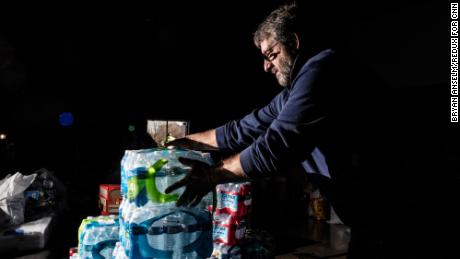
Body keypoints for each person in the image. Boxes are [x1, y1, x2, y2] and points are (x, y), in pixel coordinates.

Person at [164, 3, 407, 259]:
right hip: (365, 221)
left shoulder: (321, 71)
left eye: (271, 54)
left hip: (394, 219)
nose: (266, 67)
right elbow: (242, 130)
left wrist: (212, 175)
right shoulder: (293, 91)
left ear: (294, 41)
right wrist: (177, 143)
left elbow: (275, 146)